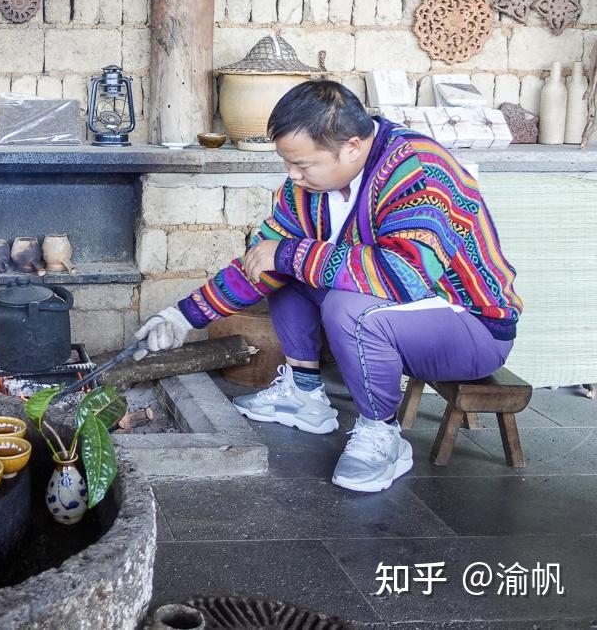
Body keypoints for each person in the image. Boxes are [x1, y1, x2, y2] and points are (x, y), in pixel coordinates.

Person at [137, 80, 522, 493]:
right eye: (287, 163)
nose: (292, 175)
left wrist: (288, 254)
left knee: (339, 300)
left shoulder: (418, 171)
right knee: (283, 271)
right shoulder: (310, 186)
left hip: (471, 326)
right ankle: (304, 396)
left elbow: (404, 276)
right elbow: (263, 261)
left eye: (303, 164)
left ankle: (382, 434)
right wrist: (184, 315)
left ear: (352, 146)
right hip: (400, 316)